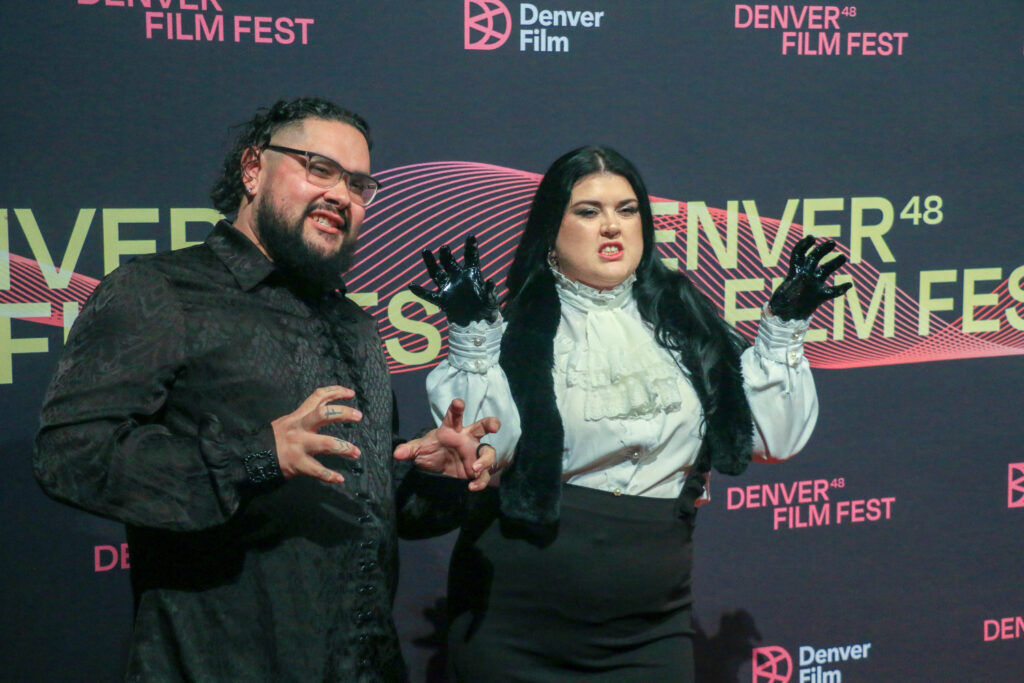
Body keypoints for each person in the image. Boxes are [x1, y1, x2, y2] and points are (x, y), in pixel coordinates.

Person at [33, 97, 497, 682]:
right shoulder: (159, 290)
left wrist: (433, 477)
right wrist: (256, 457)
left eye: (358, 184)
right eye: (319, 169)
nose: (341, 195)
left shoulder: (354, 323)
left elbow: (360, 496)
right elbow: (70, 455)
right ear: (253, 169)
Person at [412, 145, 851, 680]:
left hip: (651, 628)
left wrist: (784, 324)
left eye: (627, 210)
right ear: (551, 229)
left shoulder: (689, 328)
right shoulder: (512, 332)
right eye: (588, 211)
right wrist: (473, 333)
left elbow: (772, 439)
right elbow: (489, 446)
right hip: (515, 625)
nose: (612, 226)